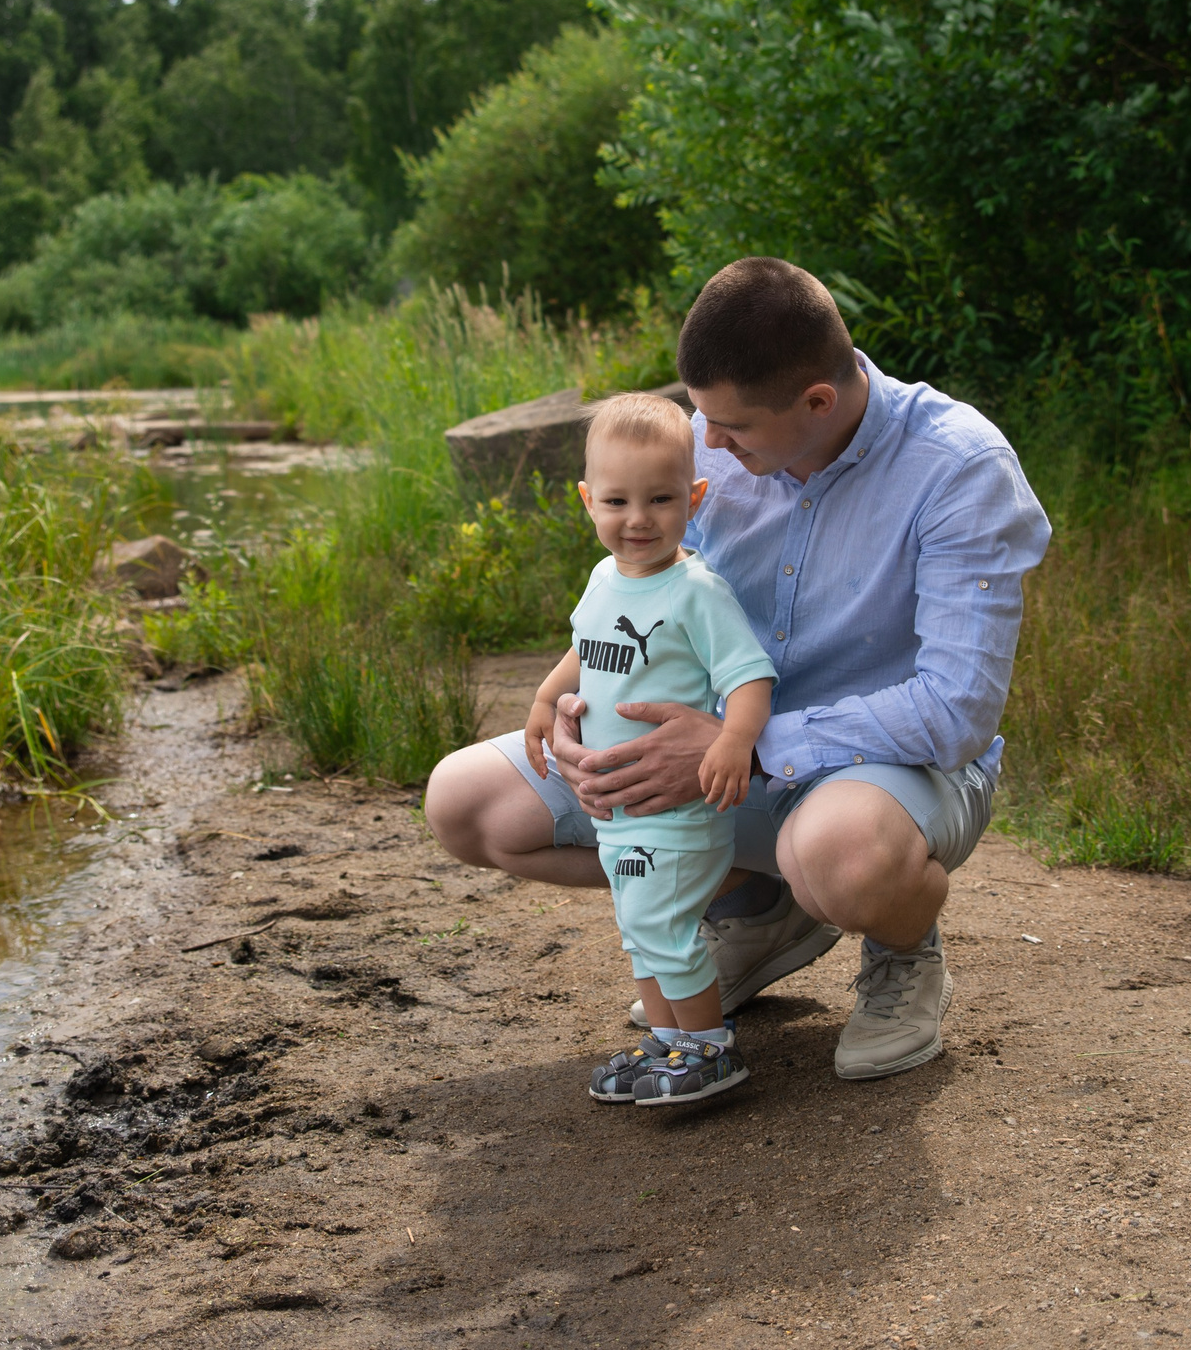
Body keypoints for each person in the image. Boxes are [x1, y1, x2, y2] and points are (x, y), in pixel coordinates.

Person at [427, 257, 1052, 1080]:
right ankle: (754, 906)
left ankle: (902, 947)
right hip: (714, 765)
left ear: (817, 402)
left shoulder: (959, 469)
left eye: (732, 430)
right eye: (698, 417)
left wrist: (740, 745)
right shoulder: (706, 438)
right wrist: (587, 706)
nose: (706, 445)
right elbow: (652, 602)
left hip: (885, 773)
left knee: (840, 853)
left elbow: (956, 709)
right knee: (466, 805)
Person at [520, 391, 779, 1105]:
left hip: (677, 809)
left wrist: (735, 738)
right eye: (617, 500)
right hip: (618, 808)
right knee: (639, 926)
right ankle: (668, 1045)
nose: (638, 520)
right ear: (587, 500)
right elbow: (584, 648)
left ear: (694, 497)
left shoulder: (696, 592)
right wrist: (547, 699)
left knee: (663, 925)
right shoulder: (606, 578)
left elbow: (750, 676)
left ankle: (709, 1049)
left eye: (661, 499)